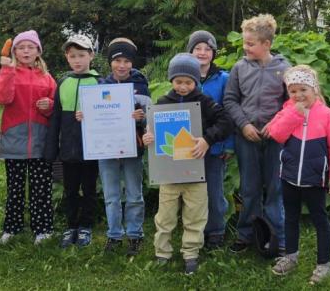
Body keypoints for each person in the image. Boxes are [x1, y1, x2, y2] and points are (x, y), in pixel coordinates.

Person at [143, 54, 235, 275]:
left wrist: (207, 139)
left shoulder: (205, 102)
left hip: (196, 171)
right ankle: (162, 252)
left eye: (188, 82)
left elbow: (226, 122)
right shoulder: (162, 103)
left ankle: (191, 253)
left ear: (196, 82)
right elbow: (151, 130)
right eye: (178, 82)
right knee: (165, 215)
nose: (183, 87)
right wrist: (148, 136)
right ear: (171, 81)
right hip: (169, 173)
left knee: (196, 213)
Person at [264, 65, 330, 285]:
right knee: (291, 217)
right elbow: (276, 134)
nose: (298, 95)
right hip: (289, 177)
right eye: (293, 91)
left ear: (314, 88)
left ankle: (324, 264)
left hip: (315, 180)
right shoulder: (287, 111)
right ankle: (290, 256)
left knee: (320, 220)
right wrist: (294, 114)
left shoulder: (329, 116)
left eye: (303, 90)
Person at [223, 14, 291, 254]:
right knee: (249, 188)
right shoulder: (239, 68)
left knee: (275, 188)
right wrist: (243, 125)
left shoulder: (284, 69)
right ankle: (246, 235)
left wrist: (276, 126)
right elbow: (230, 100)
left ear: (266, 44)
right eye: (245, 42)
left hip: (275, 140)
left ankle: (277, 238)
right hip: (247, 138)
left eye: (250, 43)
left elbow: (290, 103)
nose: (245, 47)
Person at [0, 30, 57, 245]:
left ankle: (43, 228)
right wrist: (6, 70)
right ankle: (12, 227)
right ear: (14, 52)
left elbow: (55, 106)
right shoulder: (9, 72)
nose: (26, 50)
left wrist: (49, 106)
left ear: (38, 51)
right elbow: (1, 97)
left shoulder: (47, 78)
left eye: (30, 47)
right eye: (21, 47)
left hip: (40, 139)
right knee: (15, 188)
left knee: (41, 188)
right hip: (14, 138)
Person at [45, 33, 100, 248]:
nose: (77, 60)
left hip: (91, 149)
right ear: (67, 58)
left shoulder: (99, 81)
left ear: (91, 56)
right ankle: (71, 226)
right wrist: (52, 150)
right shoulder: (64, 83)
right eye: (72, 56)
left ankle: (86, 226)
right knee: (70, 189)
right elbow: (55, 118)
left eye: (81, 55)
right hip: (67, 149)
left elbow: (107, 116)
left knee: (89, 189)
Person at [97, 38, 151, 256]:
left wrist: (140, 117)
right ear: (110, 62)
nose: (122, 65)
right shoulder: (101, 86)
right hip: (107, 149)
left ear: (132, 63)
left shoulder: (142, 85)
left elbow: (149, 118)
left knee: (134, 194)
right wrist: (85, 115)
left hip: (133, 148)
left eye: (127, 61)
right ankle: (114, 235)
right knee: (111, 195)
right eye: (117, 60)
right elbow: (96, 118)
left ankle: (135, 235)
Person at [186, 30, 234, 249]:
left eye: (207, 49)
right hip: (189, 148)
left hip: (215, 147)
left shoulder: (224, 79)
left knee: (214, 192)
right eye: (198, 48)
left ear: (213, 53)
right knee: (193, 193)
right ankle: (195, 231)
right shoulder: (183, 78)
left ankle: (215, 231)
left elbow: (231, 113)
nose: (202, 53)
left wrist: (229, 145)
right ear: (190, 52)